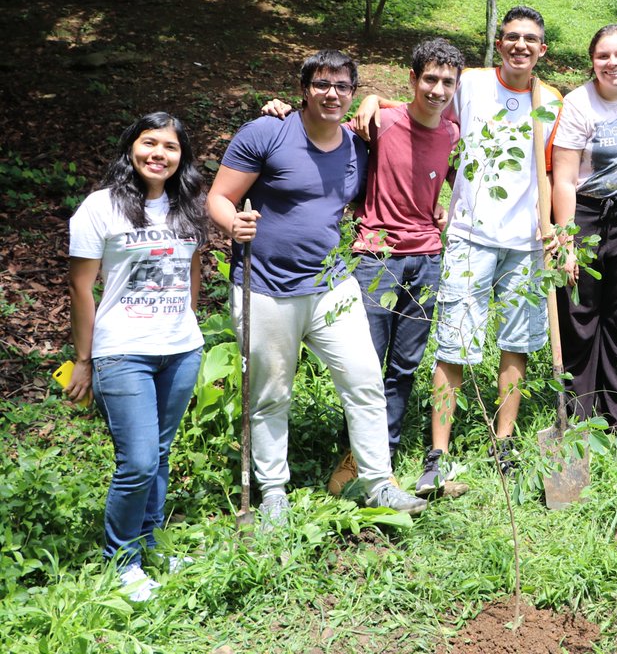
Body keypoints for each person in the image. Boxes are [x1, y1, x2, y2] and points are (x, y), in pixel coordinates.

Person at [208, 49, 427, 524]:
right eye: (322, 84)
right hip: (265, 286)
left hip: (329, 283)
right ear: (303, 89)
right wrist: (234, 225)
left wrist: (374, 98)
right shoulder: (268, 132)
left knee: (365, 378)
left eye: (343, 86)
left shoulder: (357, 145)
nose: (332, 94)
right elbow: (220, 198)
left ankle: (378, 484)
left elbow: (413, 111)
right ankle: (273, 495)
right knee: (271, 394)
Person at [258, 39, 465, 495]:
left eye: (447, 82)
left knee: (406, 364)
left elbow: (456, 181)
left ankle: (381, 456)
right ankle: (354, 457)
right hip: (376, 256)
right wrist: (280, 110)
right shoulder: (381, 120)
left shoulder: (451, 133)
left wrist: (444, 211)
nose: (436, 89)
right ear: (411, 80)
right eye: (428, 79)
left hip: (428, 257)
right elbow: (322, 121)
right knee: (365, 366)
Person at [417, 7, 563, 492]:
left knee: (516, 345)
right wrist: (374, 99)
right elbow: (424, 109)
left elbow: (558, 172)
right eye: (511, 37)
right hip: (470, 235)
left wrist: (559, 231)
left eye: (531, 39)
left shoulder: (551, 99)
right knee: (454, 344)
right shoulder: (472, 84)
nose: (520, 45)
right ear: (499, 44)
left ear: (543, 49)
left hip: (527, 242)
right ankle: (437, 450)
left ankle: (504, 442)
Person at [67, 112, 207, 601]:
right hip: (122, 352)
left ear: (181, 157)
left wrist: (188, 321)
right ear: (132, 148)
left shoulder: (190, 206)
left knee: (161, 455)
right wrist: (84, 360)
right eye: (150, 143)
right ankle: (121, 560)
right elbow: (81, 288)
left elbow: (192, 270)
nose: (159, 154)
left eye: (170, 147)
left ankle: (151, 543)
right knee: (139, 461)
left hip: (182, 350)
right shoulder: (99, 207)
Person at [551, 24, 617, 434]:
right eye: (603, 56)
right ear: (592, 60)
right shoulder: (579, 104)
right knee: (579, 315)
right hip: (587, 215)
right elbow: (563, 178)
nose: (612, 63)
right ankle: (579, 417)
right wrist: (565, 240)